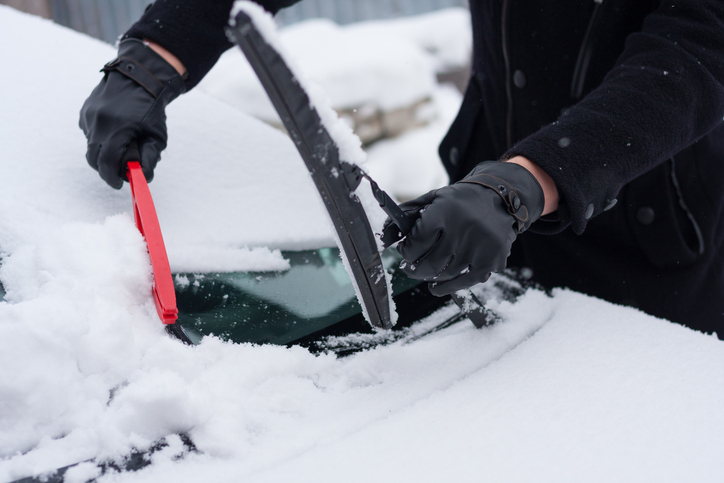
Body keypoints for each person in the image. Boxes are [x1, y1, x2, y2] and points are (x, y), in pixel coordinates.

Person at [79, 0, 724, 336]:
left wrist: (533, 178)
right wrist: (157, 53)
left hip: (649, 244)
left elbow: (695, 52)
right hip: (480, 212)